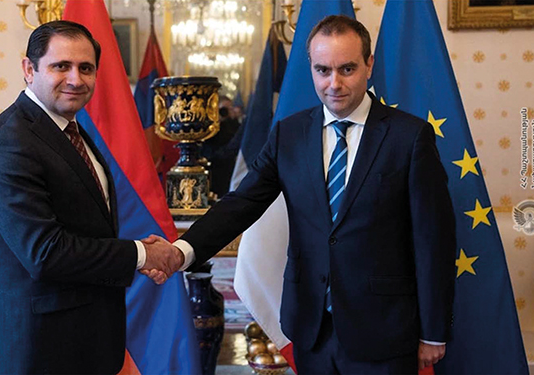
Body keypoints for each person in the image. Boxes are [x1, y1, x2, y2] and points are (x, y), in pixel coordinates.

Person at [145, 15, 456, 374]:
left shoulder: (409, 137)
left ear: (369, 66)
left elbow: (434, 239)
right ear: (310, 66)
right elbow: (241, 204)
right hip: (312, 330)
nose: (334, 83)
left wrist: (434, 331)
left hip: (384, 330)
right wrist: (181, 250)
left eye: (347, 69)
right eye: (323, 70)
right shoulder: (288, 135)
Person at [0, 21, 181, 374]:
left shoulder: (70, 132)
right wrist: (142, 253)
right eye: (60, 66)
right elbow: (45, 253)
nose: (76, 79)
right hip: (34, 349)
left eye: (86, 68)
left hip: (89, 341)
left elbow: (88, 230)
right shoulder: (6, 144)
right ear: (29, 69)